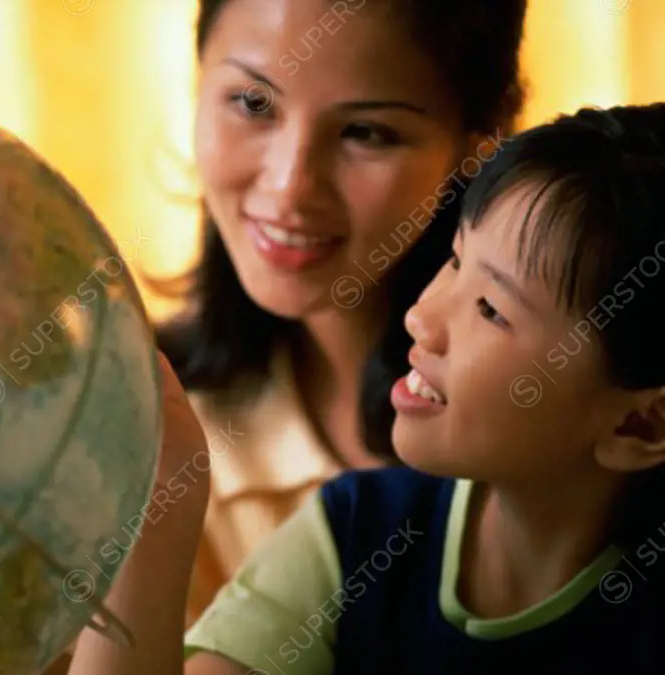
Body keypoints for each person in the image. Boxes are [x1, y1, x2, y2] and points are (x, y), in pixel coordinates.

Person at [69, 102, 665, 675]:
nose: (421, 318)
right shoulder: (353, 537)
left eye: (491, 308)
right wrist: (149, 514)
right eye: (456, 261)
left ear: (641, 426)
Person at [152, 0, 527, 622]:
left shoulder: (547, 424)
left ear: (475, 149)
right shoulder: (140, 413)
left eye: (367, 132)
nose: (289, 187)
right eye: (252, 103)